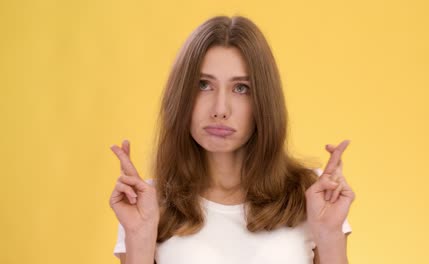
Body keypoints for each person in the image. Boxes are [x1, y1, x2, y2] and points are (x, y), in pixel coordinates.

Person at [109, 15, 355, 264]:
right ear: (181, 94)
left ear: (263, 100)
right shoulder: (148, 204)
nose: (220, 109)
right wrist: (139, 236)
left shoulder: (310, 195)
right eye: (203, 85)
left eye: (240, 88)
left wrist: (329, 234)